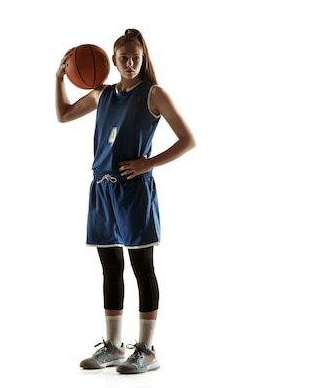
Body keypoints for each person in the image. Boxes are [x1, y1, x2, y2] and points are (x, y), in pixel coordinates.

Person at [54, 29, 195, 374]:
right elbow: (63, 115)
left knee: (142, 269)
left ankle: (147, 351)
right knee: (110, 268)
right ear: (112, 61)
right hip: (102, 189)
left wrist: (148, 162)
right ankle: (114, 347)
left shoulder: (154, 94)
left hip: (134, 191)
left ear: (143, 59)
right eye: (124, 58)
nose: (130, 63)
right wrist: (59, 78)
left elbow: (188, 140)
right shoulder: (101, 94)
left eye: (136, 57)